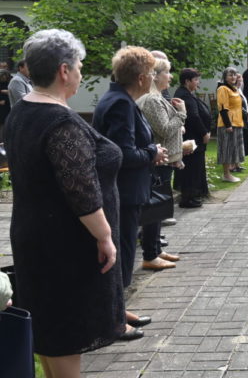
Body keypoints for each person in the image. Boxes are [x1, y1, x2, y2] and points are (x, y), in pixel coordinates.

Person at [5, 29, 124, 375]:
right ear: (63, 71)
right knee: (66, 333)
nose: (82, 73)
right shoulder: (61, 122)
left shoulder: (22, 111)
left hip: (35, 237)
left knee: (50, 330)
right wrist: (104, 236)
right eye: (80, 66)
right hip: (65, 248)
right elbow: (82, 191)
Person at [93, 46, 167, 341]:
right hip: (122, 191)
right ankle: (113, 320)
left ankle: (119, 310)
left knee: (124, 250)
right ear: (140, 77)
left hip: (125, 190)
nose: (152, 78)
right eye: (151, 73)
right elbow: (122, 153)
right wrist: (153, 151)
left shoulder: (120, 99)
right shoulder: (121, 104)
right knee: (121, 253)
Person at [136, 57, 185, 271]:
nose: (171, 76)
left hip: (165, 159)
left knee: (158, 208)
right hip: (158, 159)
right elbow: (164, 130)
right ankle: (150, 253)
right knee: (154, 209)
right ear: (155, 75)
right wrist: (182, 114)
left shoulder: (157, 98)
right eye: (167, 72)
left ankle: (155, 249)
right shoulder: (152, 100)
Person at [173, 68, 211, 208]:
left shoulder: (186, 93)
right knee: (192, 169)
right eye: (195, 80)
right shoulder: (185, 96)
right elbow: (194, 116)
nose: (198, 83)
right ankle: (188, 198)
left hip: (194, 137)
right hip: (192, 138)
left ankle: (193, 195)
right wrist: (204, 133)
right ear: (187, 81)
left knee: (195, 168)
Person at [216, 67, 245, 183]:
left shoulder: (234, 89)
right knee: (226, 150)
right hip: (227, 124)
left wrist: (245, 113)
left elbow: (237, 106)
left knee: (234, 149)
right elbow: (223, 108)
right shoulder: (223, 89)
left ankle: (231, 172)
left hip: (237, 123)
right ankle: (226, 175)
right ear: (225, 77)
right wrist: (228, 125)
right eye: (230, 75)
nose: (233, 77)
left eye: (234, 75)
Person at [0, 68, 11, 137]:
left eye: (4, 76)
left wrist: (8, 92)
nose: (3, 77)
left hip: (7, 106)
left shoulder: (10, 82)